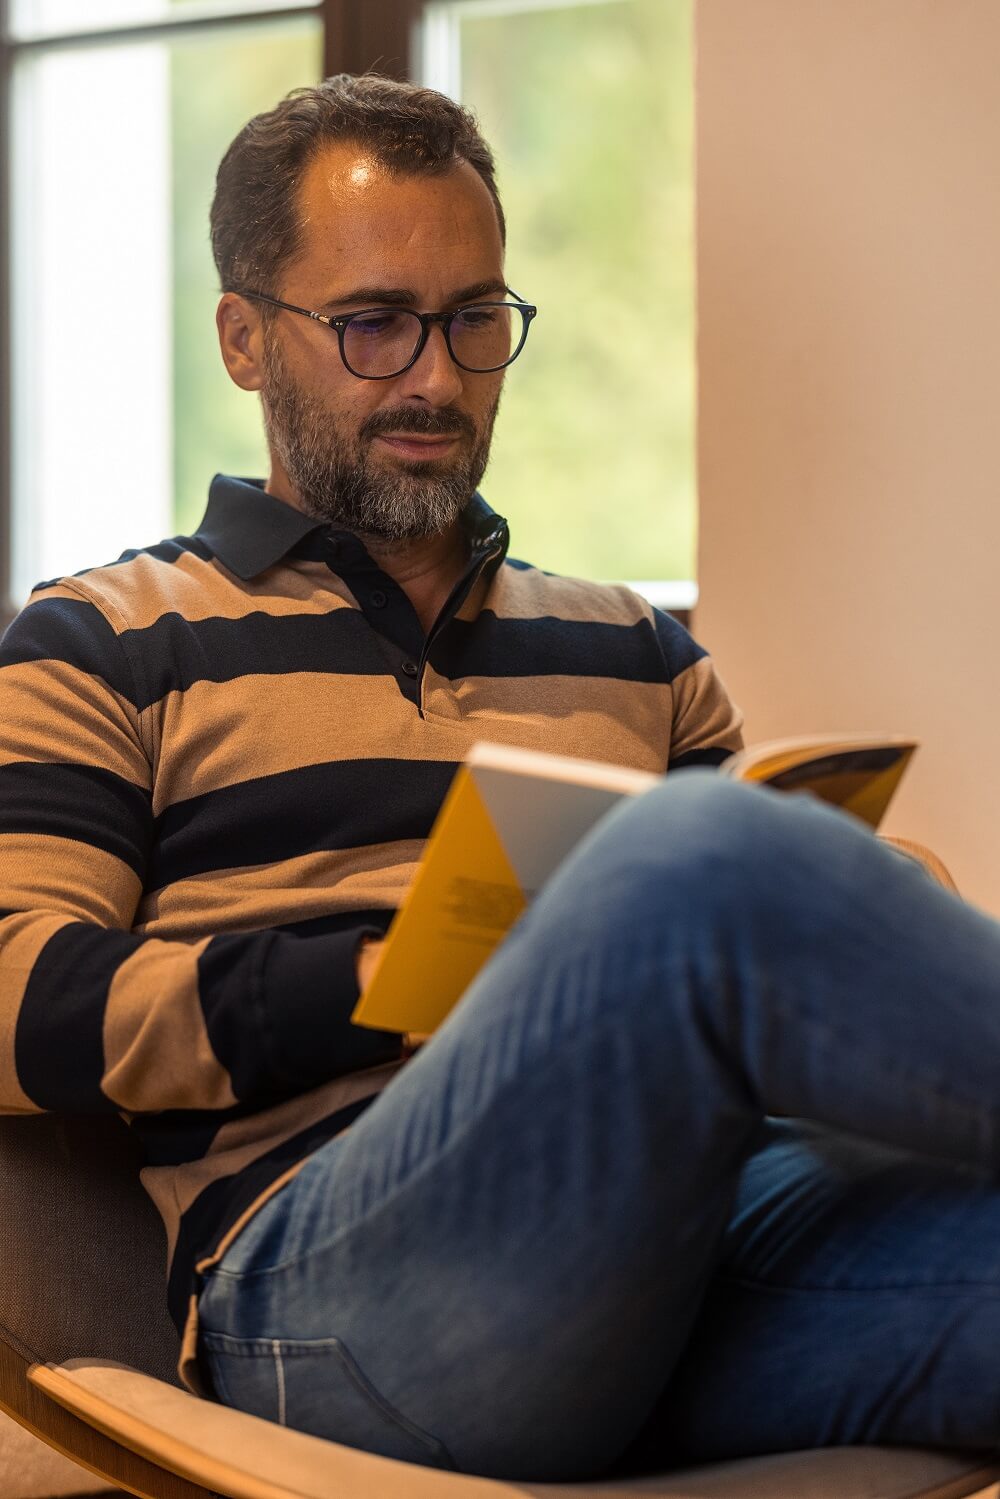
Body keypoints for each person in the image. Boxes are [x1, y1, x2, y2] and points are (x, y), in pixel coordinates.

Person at [1, 72, 1000, 1485]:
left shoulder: (637, 652)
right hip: (340, 1299)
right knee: (693, 858)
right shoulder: (103, 640)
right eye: (374, 325)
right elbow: (13, 995)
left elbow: (757, 968)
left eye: (476, 319)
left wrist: (851, 904)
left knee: (721, 865)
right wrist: (373, 980)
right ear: (243, 339)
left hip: (682, 1254)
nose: (437, 377)